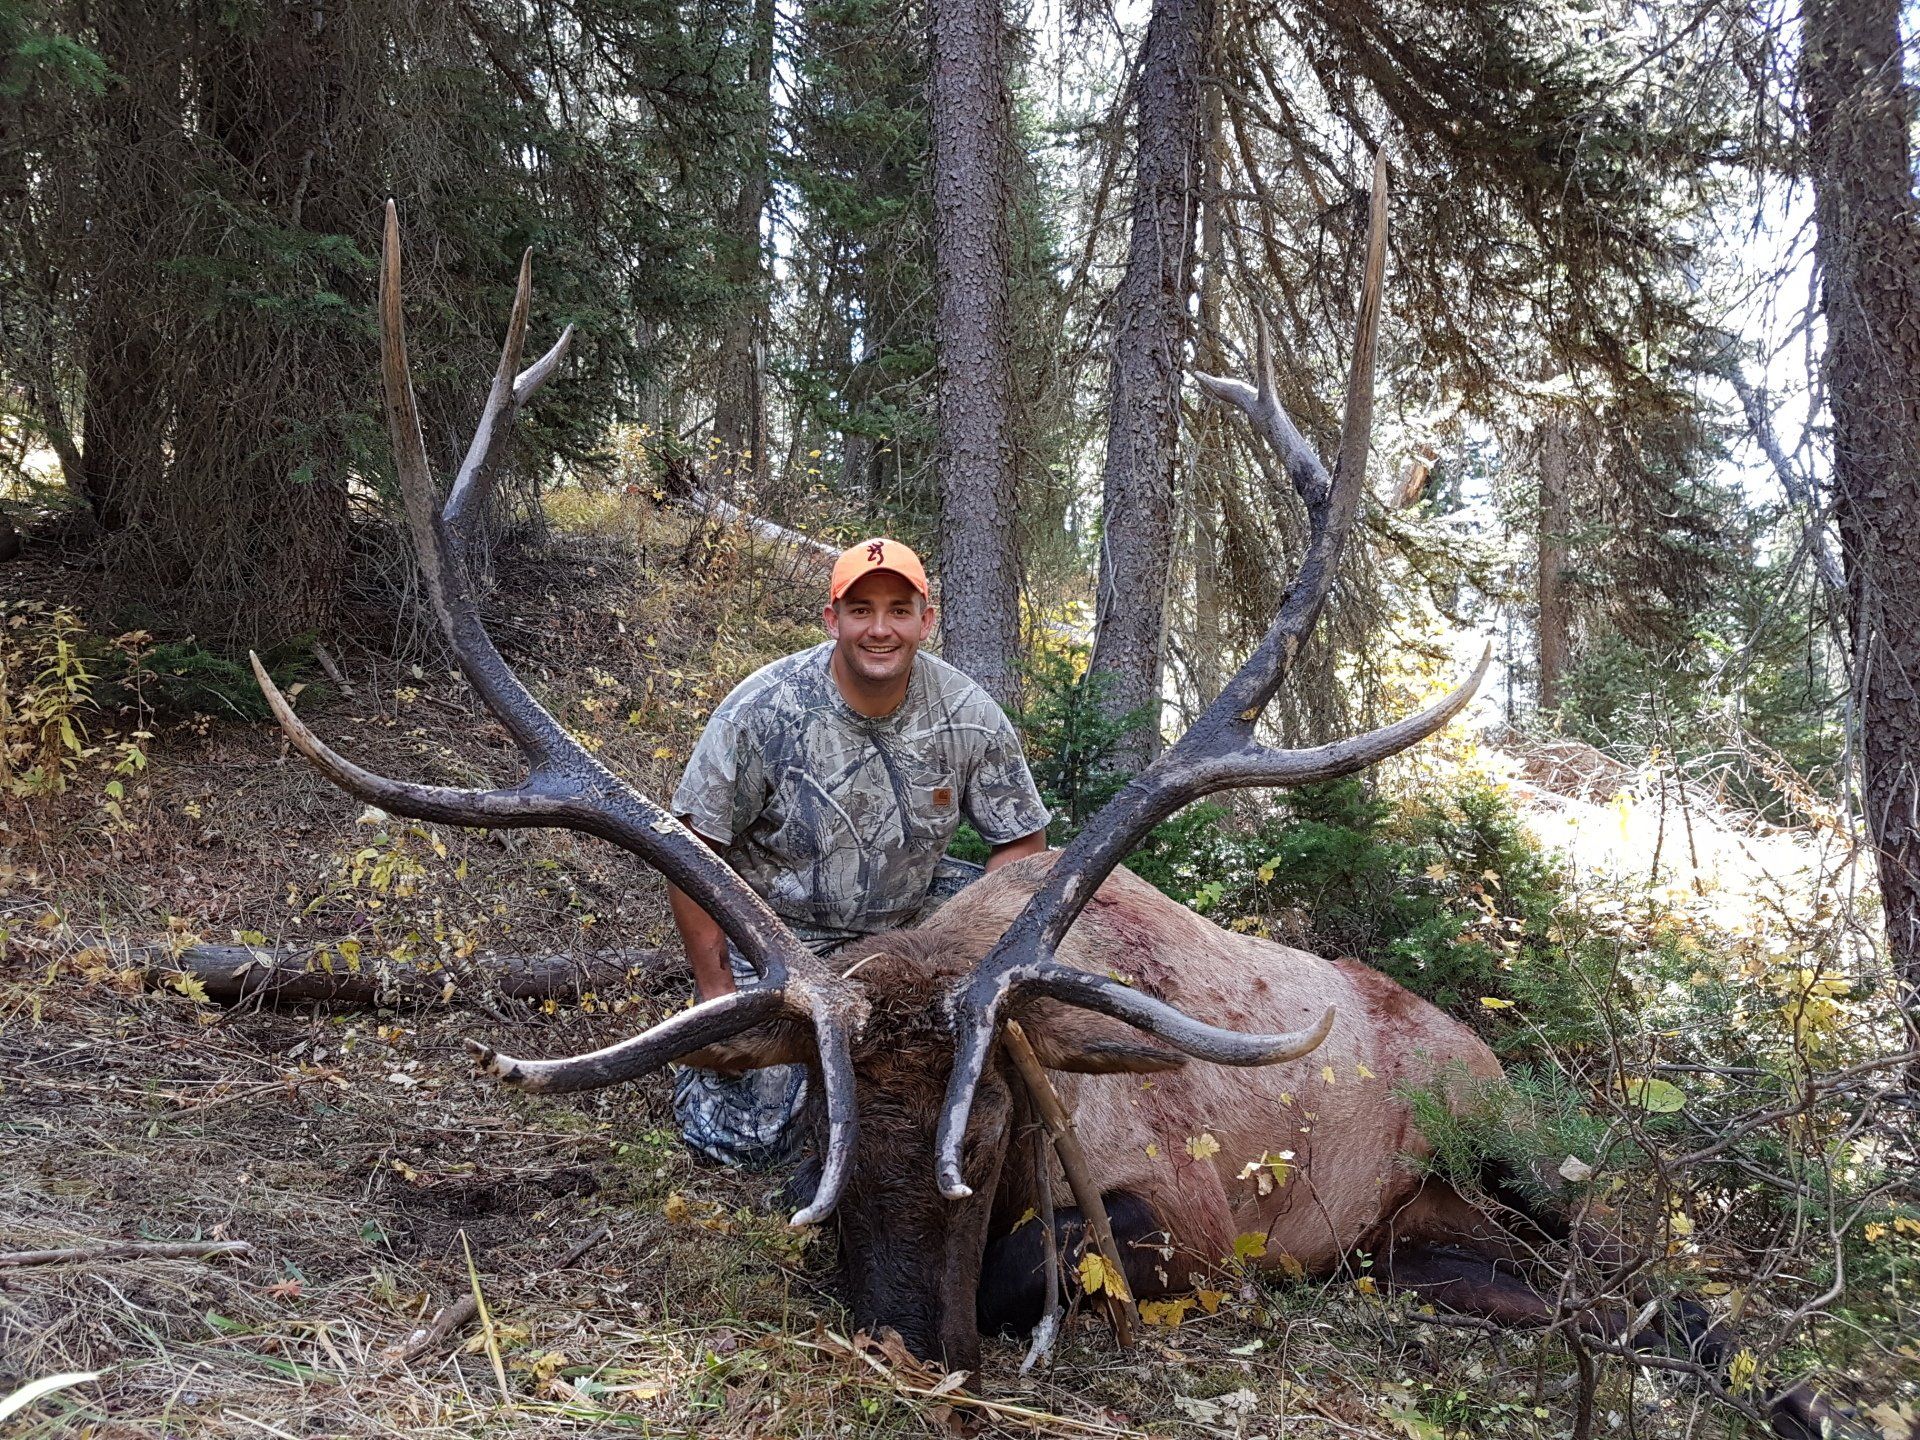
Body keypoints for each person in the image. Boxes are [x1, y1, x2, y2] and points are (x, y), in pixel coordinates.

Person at [667, 537, 1052, 1168]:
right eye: (861, 610)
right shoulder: (763, 710)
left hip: (912, 934)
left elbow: (1021, 847)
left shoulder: (968, 714)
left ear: (926, 621)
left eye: (899, 610)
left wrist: (979, 964)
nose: (881, 629)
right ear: (832, 619)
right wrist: (714, 992)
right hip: (780, 940)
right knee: (749, 1142)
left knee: (975, 1086)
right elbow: (692, 851)